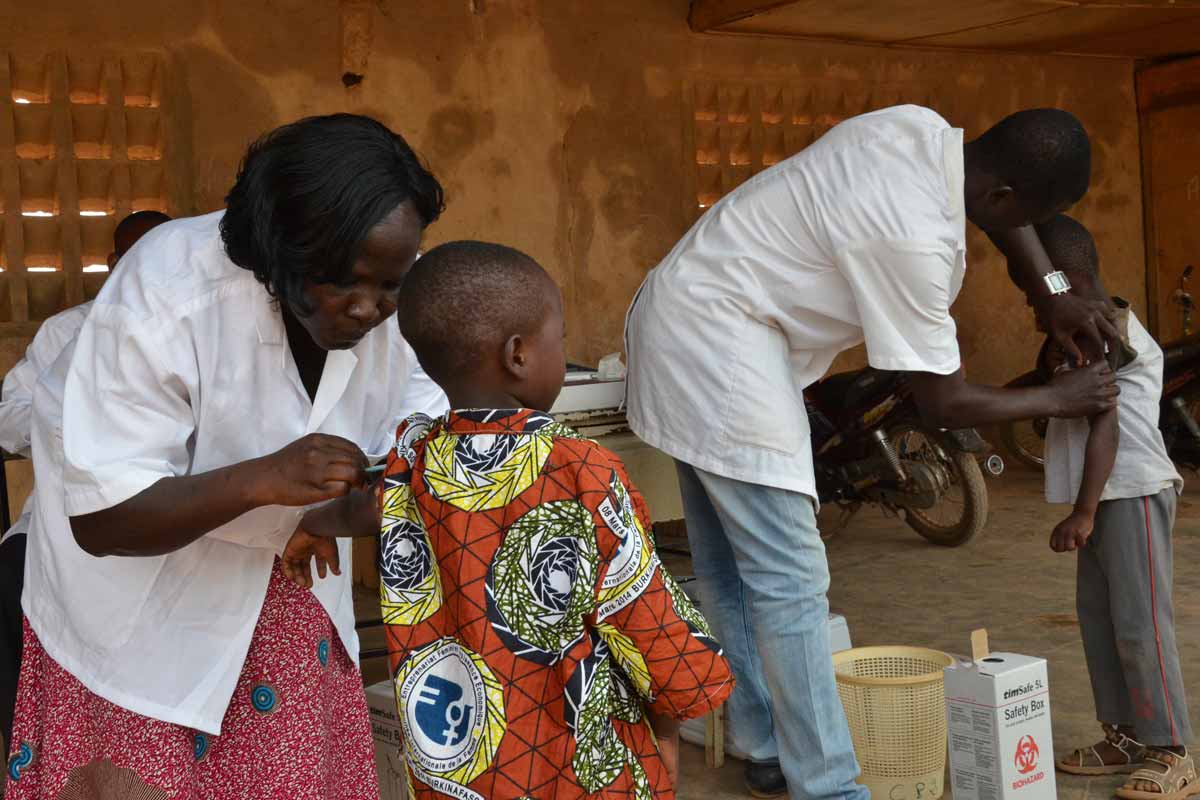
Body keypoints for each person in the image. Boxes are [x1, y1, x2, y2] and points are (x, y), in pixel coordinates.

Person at [624, 105, 1120, 799]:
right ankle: (827, 785)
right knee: (790, 580)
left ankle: (766, 742)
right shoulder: (912, 238)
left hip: (688, 310)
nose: (1015, 228)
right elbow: (943, 403)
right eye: (1026, 213)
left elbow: (1008, 216)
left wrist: (1054, 290)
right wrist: (1059, 401)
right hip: (719, 347)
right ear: (1001, 197)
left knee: (734, 567)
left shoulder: (916, 128)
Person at [5, 114, 447, 800]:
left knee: (287, 774)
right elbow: (104, 519)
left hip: (285, 583)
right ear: (282, 253)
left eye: (390, 286)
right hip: (137, 599)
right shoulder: (166, 295)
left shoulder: (377, 305)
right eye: (347, 285)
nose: (370, 310)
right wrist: (266, 480)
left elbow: (419, 421)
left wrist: (344, 509)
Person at [280, 241, 735, 798]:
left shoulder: (412, 462)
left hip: (458, 765)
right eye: (559, 339)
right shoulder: (580, 469)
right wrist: (671, 714)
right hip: (576, 762)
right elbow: (640, 610)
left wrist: (315, 523)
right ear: (519, 354)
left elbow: (363, 509)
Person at [1018, 215, 1192, 800]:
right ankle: (1123, 736)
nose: (1029, 302)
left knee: (1141, 624)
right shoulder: (1083, 327)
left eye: (1032, 287)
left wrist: (1084, 512)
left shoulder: (1102, 331)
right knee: (1100, 620)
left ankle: (1173, 751)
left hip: (1131, 493)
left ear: (1063, 280)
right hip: (1104, 498)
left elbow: (1107, 426)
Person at [0, 209, 169, 753]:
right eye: (133, 258)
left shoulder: (204, 329)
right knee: (9, 580)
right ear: (114, 264)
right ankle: (36, 751)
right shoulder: (67, 331)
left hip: (169, 517)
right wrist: (69, 416)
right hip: (62, 517)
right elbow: (8, 419)